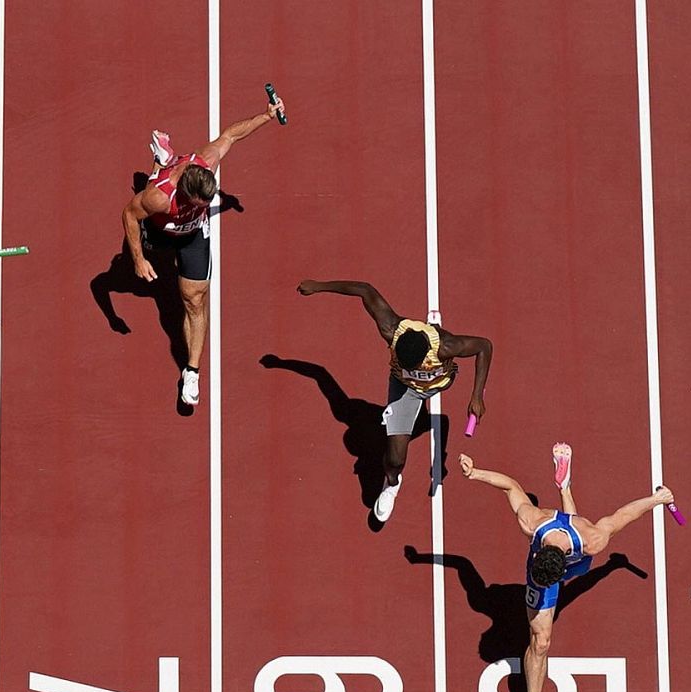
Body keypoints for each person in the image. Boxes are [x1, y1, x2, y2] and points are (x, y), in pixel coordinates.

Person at [459, 445, 672, 692]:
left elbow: (622, 515)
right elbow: (510, 486)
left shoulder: (591, 541)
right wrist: (474, 471)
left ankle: (565, 485)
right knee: (540, 642)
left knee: (577, 522)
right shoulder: (531, 521)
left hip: (573, 547)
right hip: (543, 569)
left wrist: (657, 499)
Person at [123, 94, 288, 408]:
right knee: (148, 193)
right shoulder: (160, 199)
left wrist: (266, 116)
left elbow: (231, 135)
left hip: (192, 235)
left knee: (194, 299)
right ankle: (161, 159)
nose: (209, 205)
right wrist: (138, 259)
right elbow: (129, 216)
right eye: (203, 203)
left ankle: (192, 370)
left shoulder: (206, 160)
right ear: (187, 193)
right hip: (160, 230)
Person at [299, 278, 493, 522]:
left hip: (439, 381)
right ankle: (392, 484)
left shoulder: (446, 347)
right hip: (406, 389)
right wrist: (318, 286)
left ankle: (432, 327)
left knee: (442, 346)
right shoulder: (390, 329)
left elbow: (484, 346)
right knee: (395, 457)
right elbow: (364, 290)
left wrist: (476, 396)